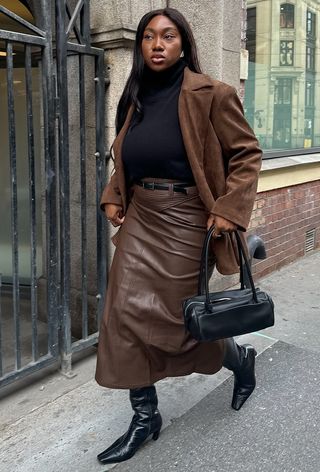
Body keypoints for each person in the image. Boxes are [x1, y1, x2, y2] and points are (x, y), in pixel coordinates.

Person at [95, 7, 262, 465]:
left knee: (181, 321)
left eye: (168, 36)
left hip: (190, 219)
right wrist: (114, 193)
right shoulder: (135, 96)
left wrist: (229, 210)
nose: (157, 44)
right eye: (148, 36)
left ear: (184, 43)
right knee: (123, 313)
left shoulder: (213, 94)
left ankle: (238, 358)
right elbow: (126, 155)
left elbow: (247, 155)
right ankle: (145, 416)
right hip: (142, 217)